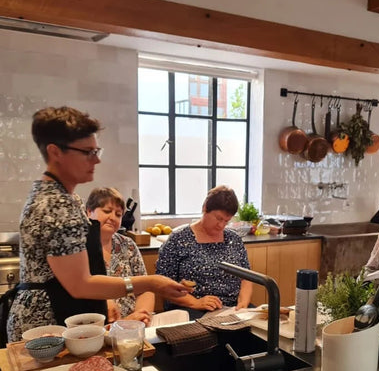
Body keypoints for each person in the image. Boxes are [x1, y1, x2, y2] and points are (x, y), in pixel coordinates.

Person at [6, 106, 190, 342]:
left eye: (96, 150)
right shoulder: (56, 203)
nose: (97, 159)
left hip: (59, 318)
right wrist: (152, 282)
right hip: (47, 327)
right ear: (55, 152)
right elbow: (80, 285)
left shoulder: (59, 196)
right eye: (87, 152)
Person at [156, 185, 253, 320]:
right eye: (218, 218)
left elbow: (246, 277)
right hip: (191, 308)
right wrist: (196, 302)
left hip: (232, 308)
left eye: (227, 221)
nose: (221, 225)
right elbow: (162, 284)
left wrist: (243, 304)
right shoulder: (179, 238)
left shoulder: (234, 239)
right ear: (205, 207)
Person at [86, 187, 154, 326]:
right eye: (106, 211)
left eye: (118, 214)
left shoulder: (128, 245)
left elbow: (145, 289)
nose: (112, 217)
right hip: (95, 329)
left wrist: (140, 316)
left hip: (132, 327)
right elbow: (80, 291)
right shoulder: (78, 246)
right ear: (89, 212)